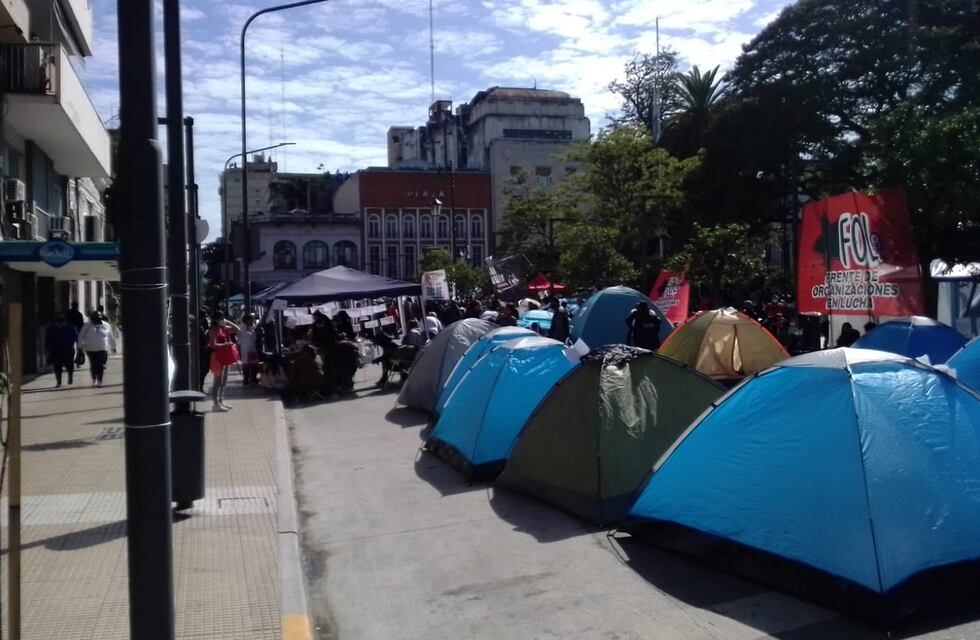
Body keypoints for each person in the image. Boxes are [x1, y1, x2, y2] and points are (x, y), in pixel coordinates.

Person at [208, 309, 240, 411]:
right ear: (215, 319)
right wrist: (226, 344)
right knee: (217, 381)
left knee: (224, 380)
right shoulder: (213, 330)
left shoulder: (223, 328)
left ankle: (221, 400)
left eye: (223, 318)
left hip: (226, 356)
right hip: (218, 357)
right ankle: (215, 404)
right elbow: (213, 345)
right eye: (220, 319)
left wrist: (228, 322)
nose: (222, 320)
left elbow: (238, 330)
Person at [78, 310, 116, 387]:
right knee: (93, 365)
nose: (97, 318)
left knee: (100, 366)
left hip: (102, 348)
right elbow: (81, 336)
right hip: (90, 349)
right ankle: (94, 379)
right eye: (95, 317)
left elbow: (111, 336)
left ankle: (100, 381)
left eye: (98, 317)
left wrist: (113, 347)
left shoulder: (106, 325)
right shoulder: (87, 326)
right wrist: (80, 347)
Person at [46, 314, 79, 387]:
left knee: (69, 365)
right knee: (57, 366)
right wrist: (47, 348)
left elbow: (76, 337)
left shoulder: (71, 327)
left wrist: (78, 347)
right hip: (56, 350)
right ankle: (59, 382)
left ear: (65, 322)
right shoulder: (52, 328)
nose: (59, 324)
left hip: (68, 349)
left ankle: (70, 376)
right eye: (58, 322)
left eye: (61, 321)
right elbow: (48, 338)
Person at [239, 314, 263, 386]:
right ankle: (246, 379)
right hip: (246, 348)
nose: (252, 321)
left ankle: (253, 379)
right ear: (247, 320)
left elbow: (254, 337)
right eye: (251, 320)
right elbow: (247, 336)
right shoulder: (242, 327)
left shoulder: (251, 326)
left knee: (254, 364)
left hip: (252, 347)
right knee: (246, 364)